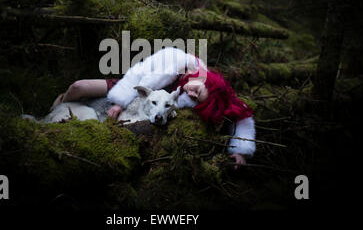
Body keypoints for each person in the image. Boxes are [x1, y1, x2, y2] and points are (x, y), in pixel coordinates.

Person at [51, 47, 255, 169]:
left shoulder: (216, 92)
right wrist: (119, 101)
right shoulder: (179, 65)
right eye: (196, 90)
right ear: (202, 80)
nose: (191, 93)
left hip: (152, 98)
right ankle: (56, 107)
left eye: (196, 97)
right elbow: (140, 78)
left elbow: (242, 116)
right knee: (79, 87)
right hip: (136, 82)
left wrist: (242, 152)